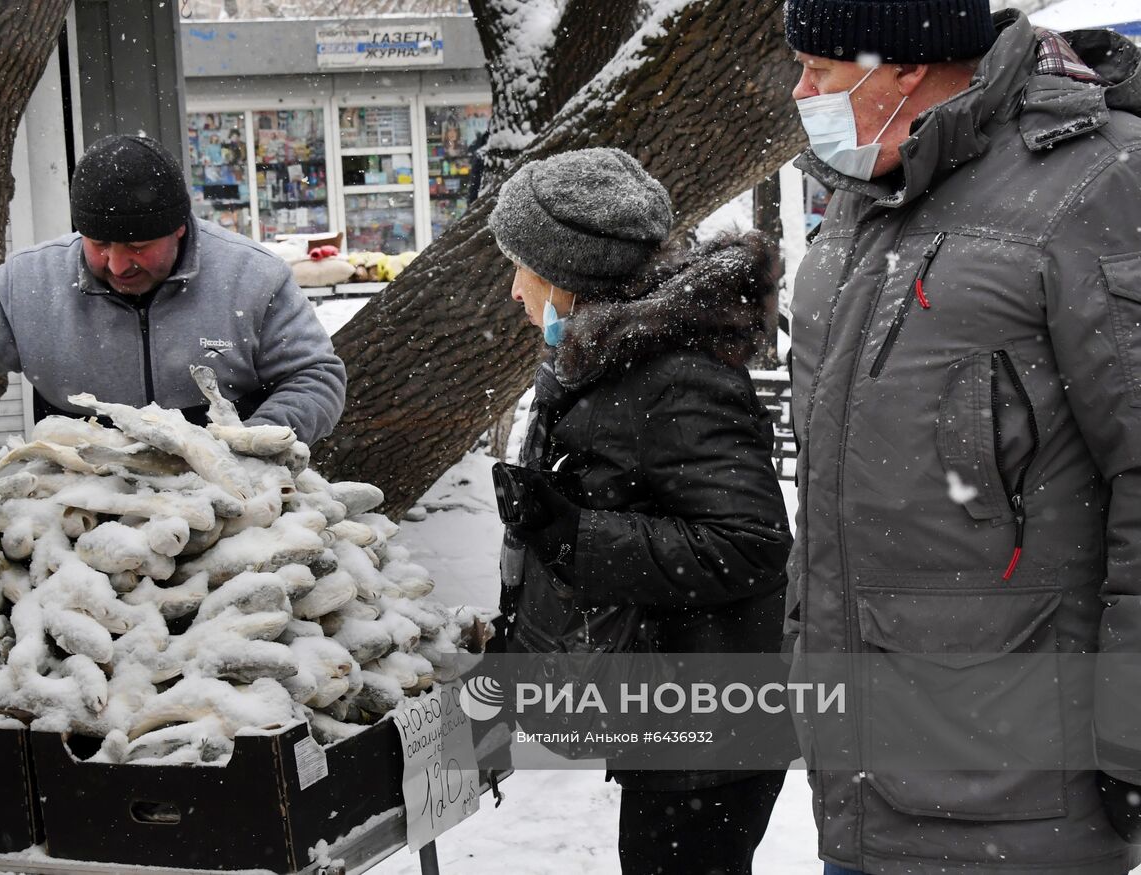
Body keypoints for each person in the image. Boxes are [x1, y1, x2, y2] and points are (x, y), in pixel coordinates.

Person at [781, 3, 1141, 874]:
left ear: (904, 66)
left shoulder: (1093, 184)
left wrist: (1134, 734)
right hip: (868, 774)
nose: (801, 93)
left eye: (820, 69)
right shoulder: (863, 201)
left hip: (1017, 787)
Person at [488, 147, 794, 875]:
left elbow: (752, 540)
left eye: (521, 268)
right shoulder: (613, 362)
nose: (512, 292)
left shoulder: (673, 377)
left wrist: (578, 536)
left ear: (569, 277)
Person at [0, 135, 346, 495]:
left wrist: (256, 444)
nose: (118, 265)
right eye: (99, 244)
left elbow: (315, 376)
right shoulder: (31, 282)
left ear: (179, 228)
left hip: (230, 487)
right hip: (76, 493)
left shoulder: (251, 277)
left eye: (138, 247)